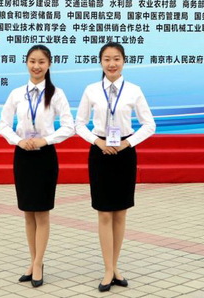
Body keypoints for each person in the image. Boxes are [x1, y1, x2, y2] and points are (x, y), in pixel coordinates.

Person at [75, 41, 156, 292]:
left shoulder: (133, 90)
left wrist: (127, 143)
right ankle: (107, 269)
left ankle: (115, 267)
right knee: (103, 213)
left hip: (124, 152)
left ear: (124, 61)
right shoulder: (91, 90)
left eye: (117, 59)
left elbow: (149, 125)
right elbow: (79, 124)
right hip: (100, 152)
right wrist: (97, 141)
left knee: (120, 213)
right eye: (107, 59)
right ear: (101, 62)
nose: (112, 64)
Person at [0, 44, 74, 288]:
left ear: (49, 64)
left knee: (41, 212)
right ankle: (32, 261)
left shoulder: (56, 94)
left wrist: (45, 140)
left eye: (41, 62)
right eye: (32, 61)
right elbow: (3, 124)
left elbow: (69, 126)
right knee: (28, 212)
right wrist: (18, 141)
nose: (36, 66)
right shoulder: (16, 94)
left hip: (44, 157)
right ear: (26, 63)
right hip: (23, 156)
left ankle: (39, 263)